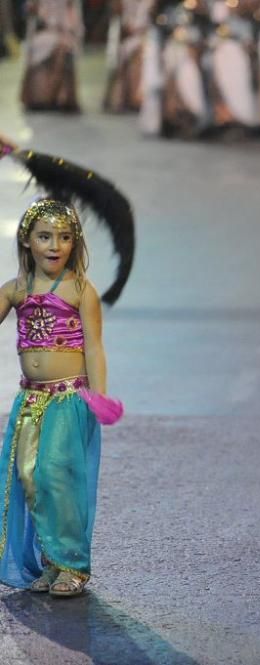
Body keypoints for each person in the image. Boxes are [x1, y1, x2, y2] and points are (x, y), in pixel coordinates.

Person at [0, 198, 107, 597]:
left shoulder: (81, 290)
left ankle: (73, 565)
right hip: (30, 401)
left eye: (63, 237)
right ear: (27, 241)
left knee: (55, 477)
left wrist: (99, 397)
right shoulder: (16, 290)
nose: (54, 245)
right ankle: (51, 561)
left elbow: (94, 348)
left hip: (68, 401)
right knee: (29, 479)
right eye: (44, 236)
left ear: (74, 243)